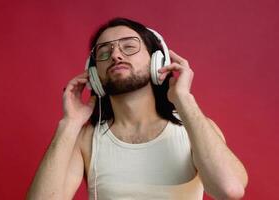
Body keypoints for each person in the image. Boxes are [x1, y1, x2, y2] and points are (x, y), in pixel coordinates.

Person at [26, 18, 248, 200]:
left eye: (129, 46)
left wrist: (184, 100)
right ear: (94, 75)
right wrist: (69, 124)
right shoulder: (85, 139)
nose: (115, 55)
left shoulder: (194, 129)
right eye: (104, 52)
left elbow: (230, 189)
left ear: (157, 62)